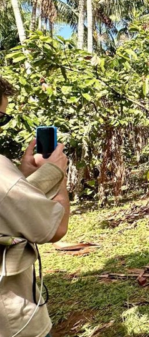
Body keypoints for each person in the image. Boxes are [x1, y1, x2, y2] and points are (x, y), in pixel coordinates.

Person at [0, 76, 71, 337]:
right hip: (14, 323)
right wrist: (57, 173)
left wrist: (23, 176)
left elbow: (8, 206)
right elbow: (56, 228)